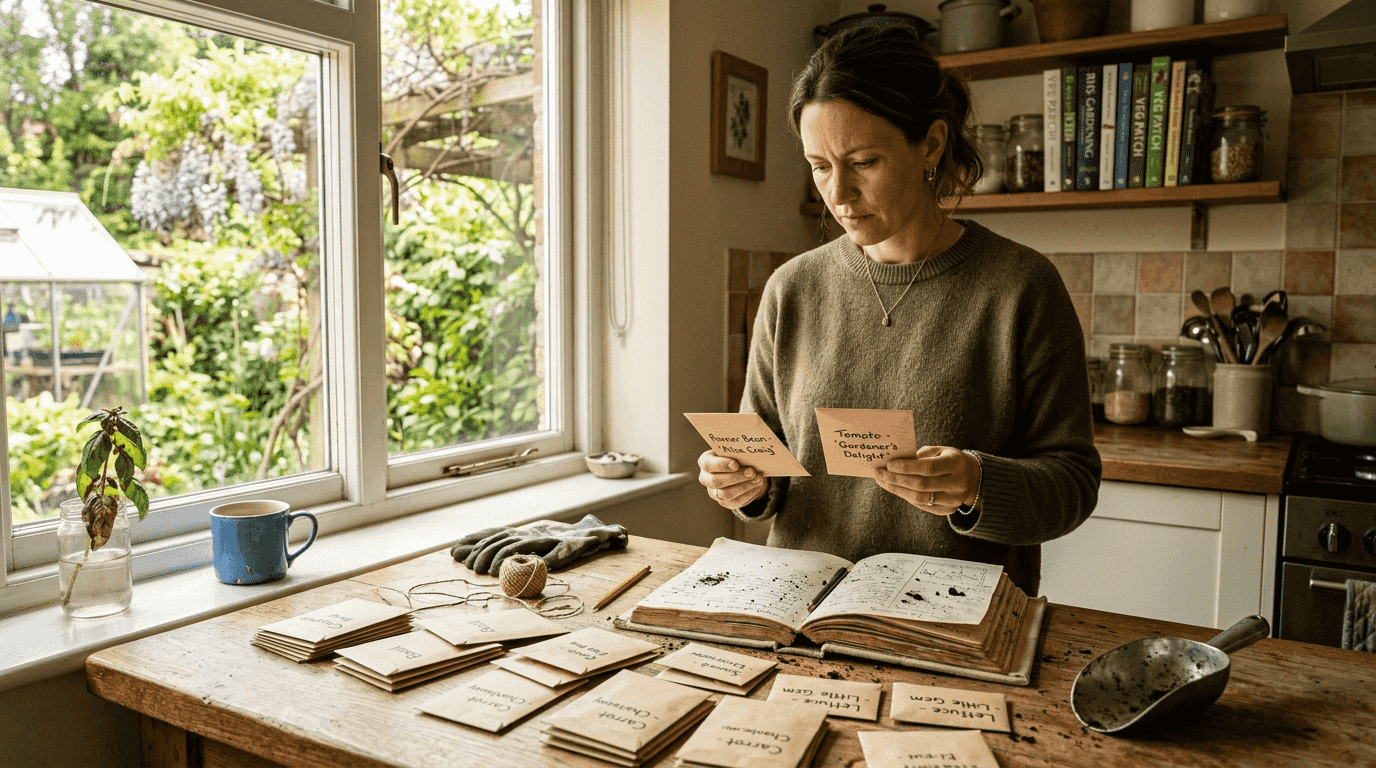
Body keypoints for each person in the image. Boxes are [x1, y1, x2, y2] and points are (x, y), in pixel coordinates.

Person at [696, 25, 1100, 596]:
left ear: (931, 144)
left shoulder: (1021, 287)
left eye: (863, 161)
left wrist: (977, 483)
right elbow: (766, 472)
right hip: (802, 608)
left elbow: (1073, 484)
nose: (838, 194)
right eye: (819, 165)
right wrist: (744, 486)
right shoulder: (791, 289)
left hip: (952, 616)